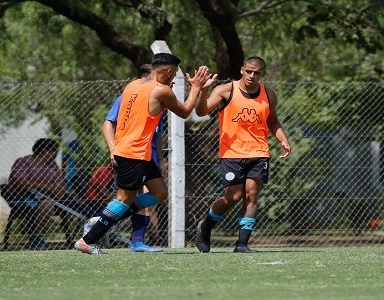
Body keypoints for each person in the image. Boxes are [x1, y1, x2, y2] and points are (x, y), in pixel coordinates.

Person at [74, 53, 215, 254]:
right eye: (173, 73)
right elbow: (185, 112)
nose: (174, 78)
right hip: (132, 152)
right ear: (167, 71)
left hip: (140, 152)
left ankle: (103, 222)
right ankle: (89, 238)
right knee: (124, 199)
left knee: (159, 193)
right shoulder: (161, 90)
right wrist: (196, 87)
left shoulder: (133, 85)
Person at [194, 56, 292, 253]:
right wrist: (203, 89)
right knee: (234, 196)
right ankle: (205, 227)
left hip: (259, 152)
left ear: (263, 74)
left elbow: (272, 121)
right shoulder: (225, 90)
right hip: (231, 153)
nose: (252, 76)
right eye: (249, 71)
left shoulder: (269, 94)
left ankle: (242, 244)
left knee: (252, 195)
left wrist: (282, 138)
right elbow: (201, 110)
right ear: (241, 70)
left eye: (257, 73)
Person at [82, 63, 165, 252]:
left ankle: (128, 237)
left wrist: (159, 160)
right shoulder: (127, 98)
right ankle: (125, 237)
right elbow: (107, 124)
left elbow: (158, 134)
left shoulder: (160, 97)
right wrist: (113, 149)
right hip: (132, 153)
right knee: (130, 197)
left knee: (152, 196)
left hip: (148, 154)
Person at [5, 138, 66, 250]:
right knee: (47, 204)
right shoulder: (23, 162)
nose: (56, 154)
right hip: (21, 197)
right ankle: (37, 238)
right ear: (44, 151)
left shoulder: (53, 165)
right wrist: (50, 188)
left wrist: (57, 190)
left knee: (59, 202)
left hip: (47, 197)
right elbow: (23, 183)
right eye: (54, 151)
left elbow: (60, 186)